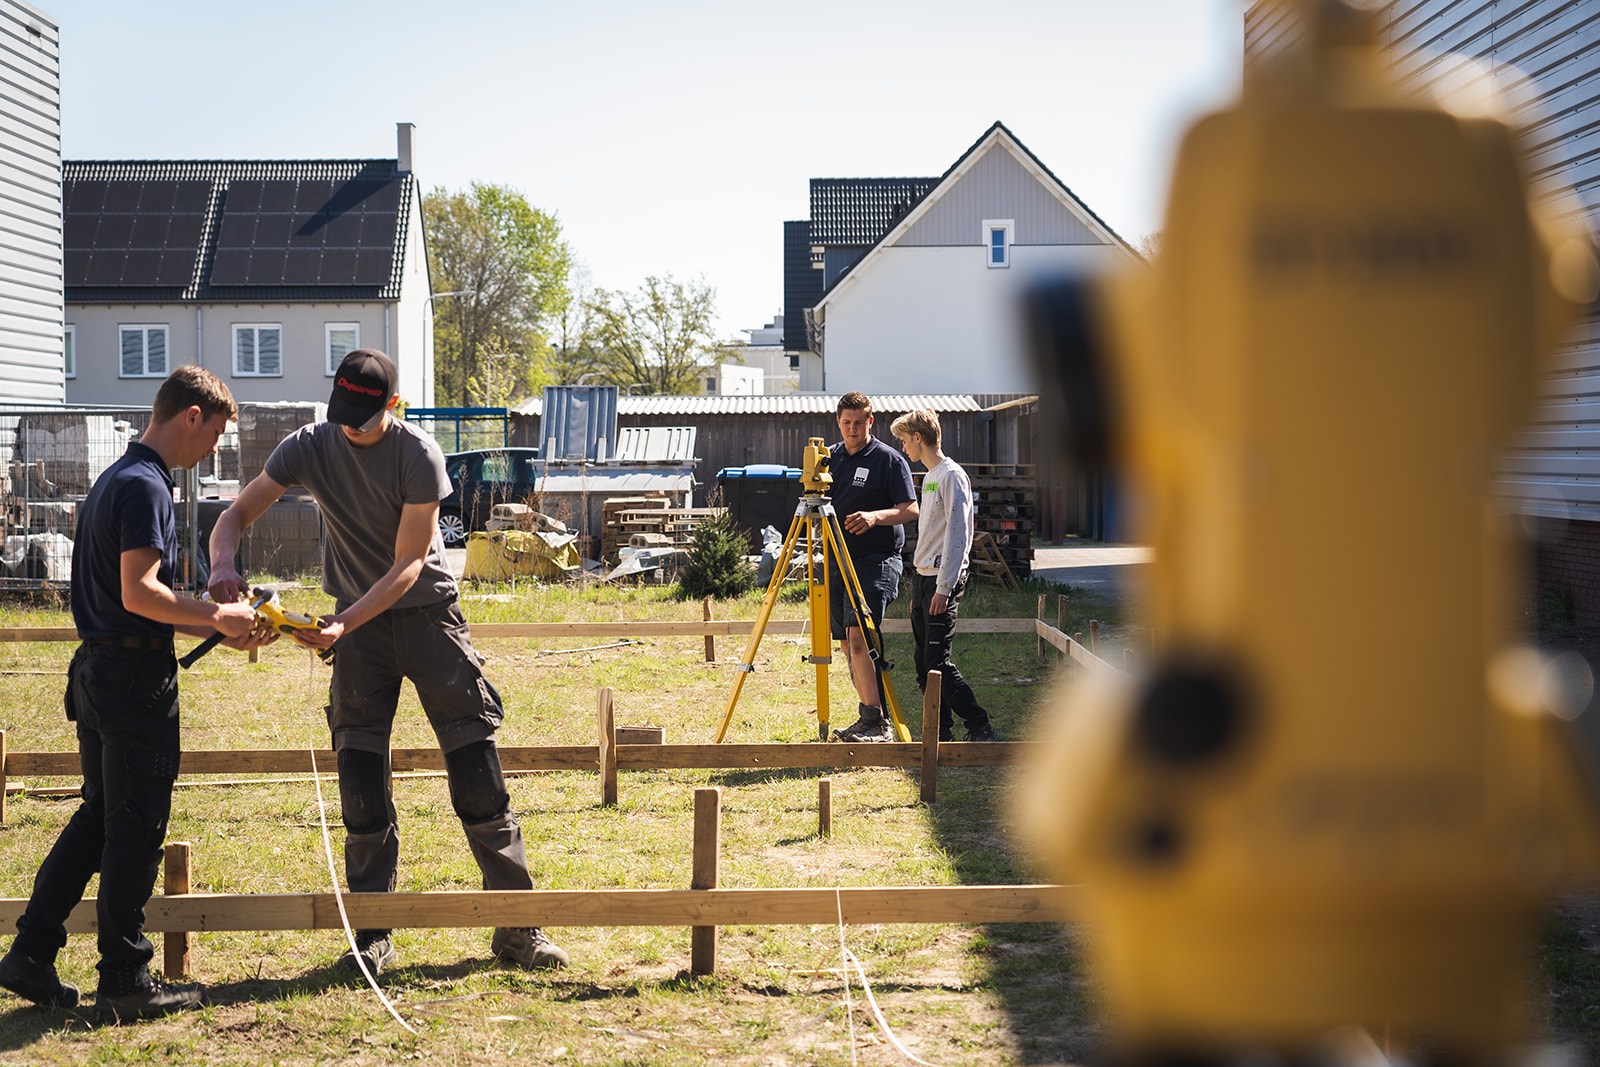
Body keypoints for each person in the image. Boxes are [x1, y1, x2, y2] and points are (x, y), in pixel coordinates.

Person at [207, 349, 568, 976]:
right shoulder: (308, 445)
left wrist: (343, 623)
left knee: (476, 769)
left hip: (427, 618)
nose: (352, 428)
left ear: (392, 406)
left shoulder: (419, 454)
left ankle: (517, 927)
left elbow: (406, 566)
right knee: (361, 779)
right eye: (343, 415)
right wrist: (222, 562)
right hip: (359, 630)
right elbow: (234, 514)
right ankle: (373, 935)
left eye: (365, 418)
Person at [0, 366, 270, 1022]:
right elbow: (139, 592)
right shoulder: (148, 487)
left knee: (98, 820)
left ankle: (31, 953)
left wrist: (213, 616)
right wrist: (216, 617)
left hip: (99, 672)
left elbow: (136, 601)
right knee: (135, 829)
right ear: (191, 417)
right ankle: (124, 975)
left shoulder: (113, 482)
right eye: (215, 438)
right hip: (131, 685)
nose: (214, 452)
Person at [891, 410, 999, 743]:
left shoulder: (952, 476)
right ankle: (940, 731)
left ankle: (980, 725)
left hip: (942, 581)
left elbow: (958, 533)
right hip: (924, 579)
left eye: (905, 441)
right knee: (923, 662)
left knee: (937, 662)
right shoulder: (931, 476)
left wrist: (943, 587)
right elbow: (930, 533)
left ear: (918, 438)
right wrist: (918, 585)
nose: (904, 448)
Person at [827, 392, 918, 743]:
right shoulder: (829, 458)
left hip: (876, 560)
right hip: (837, 561)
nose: (852, 428)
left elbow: (911, 509)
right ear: (838, 421)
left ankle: (876, 723)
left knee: (859, 635)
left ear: (870, 421)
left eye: (859, 422)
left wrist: (875, 517)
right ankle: (868, 716)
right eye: (847, 422)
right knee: (847, 644)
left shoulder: (888, 459)